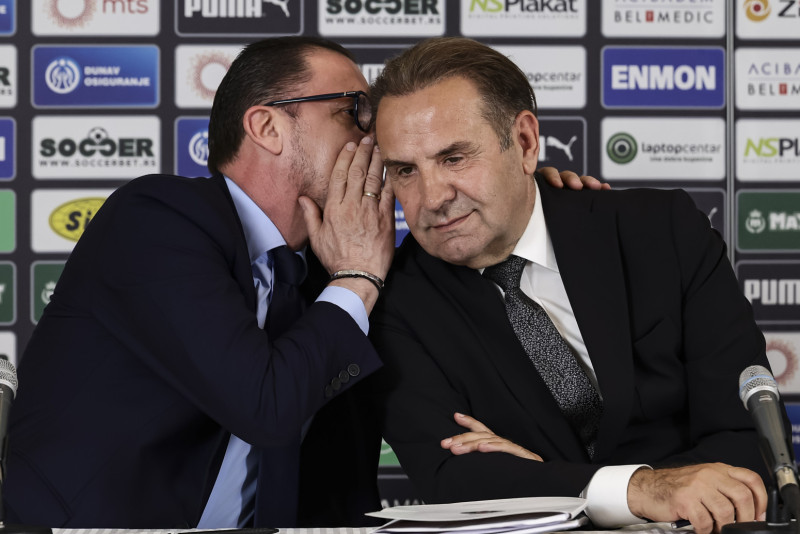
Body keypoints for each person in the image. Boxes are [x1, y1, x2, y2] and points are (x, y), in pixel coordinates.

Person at [4, 37, 592, 529]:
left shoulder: (327, 273)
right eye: (353, 112)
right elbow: (265, 407)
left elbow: (361, 456)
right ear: (267, 126)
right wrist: (356, 278)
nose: (376, 137)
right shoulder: (157, 219)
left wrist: (521, 200)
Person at [368, 37, 775, 534]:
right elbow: (453, 481)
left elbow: (748, 439)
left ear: (524, 143)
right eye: (405, 170)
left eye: (454, 158)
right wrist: (640, 489)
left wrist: (541, 479)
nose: (431, 197)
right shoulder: (393, 303)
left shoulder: (660, 230)